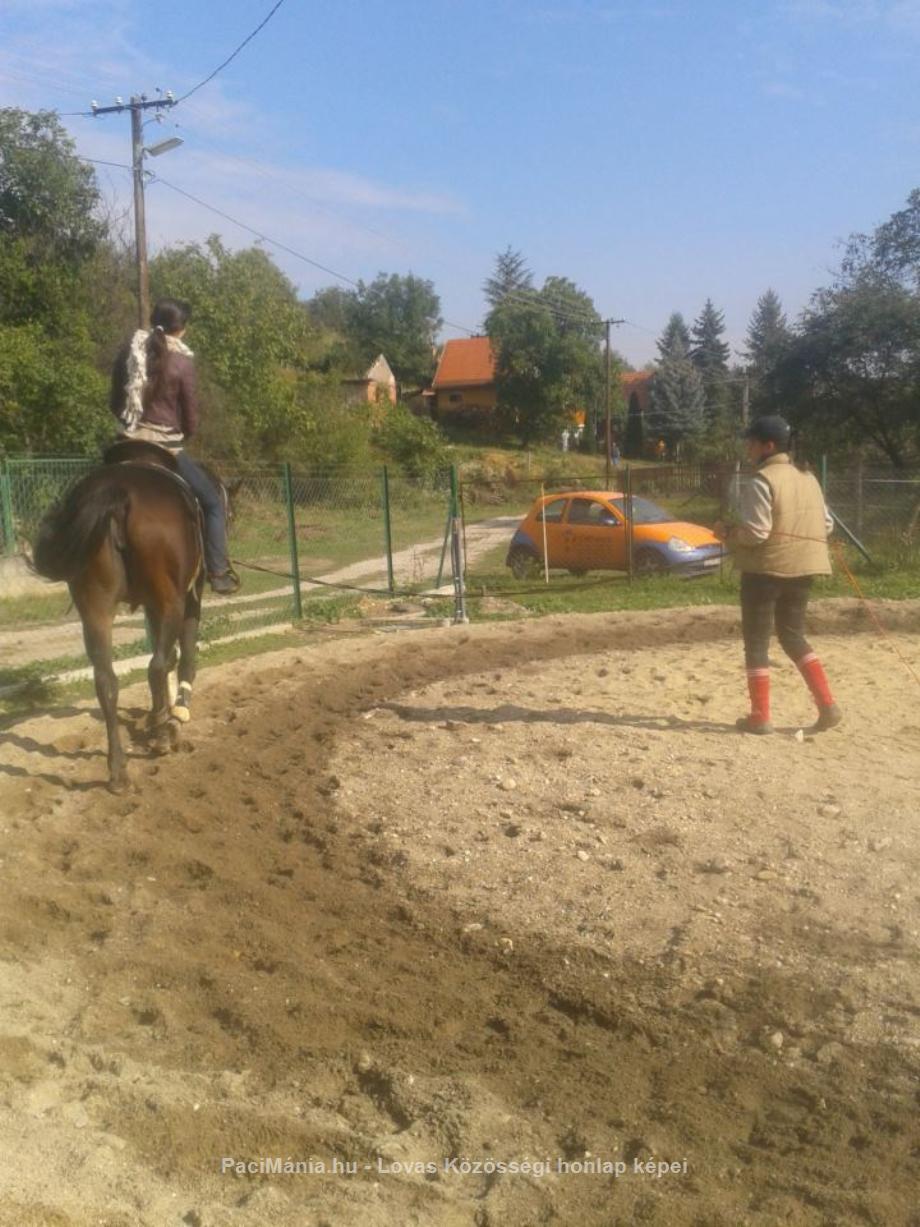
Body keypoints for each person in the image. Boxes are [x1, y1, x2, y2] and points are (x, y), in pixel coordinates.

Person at [713, 414, 841, 736]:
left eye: (751, 442)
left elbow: (756, 533)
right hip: (805, 569)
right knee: (793, 637)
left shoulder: (761, 480)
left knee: (756, 644)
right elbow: (827, 525)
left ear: (768, 446)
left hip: (765, 572)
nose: (748, 447)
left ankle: (761, 717)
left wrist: (727, 532)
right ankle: (827, 706)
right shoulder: (809, 478)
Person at [110, 298, 240, 595]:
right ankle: (218, 571)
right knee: (213, 502)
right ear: (181, 328)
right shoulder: (182, 362)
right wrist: (184, 433)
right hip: (165, 448)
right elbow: (191, 416)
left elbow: (114, 403)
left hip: (125, 444)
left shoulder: (128, 353)